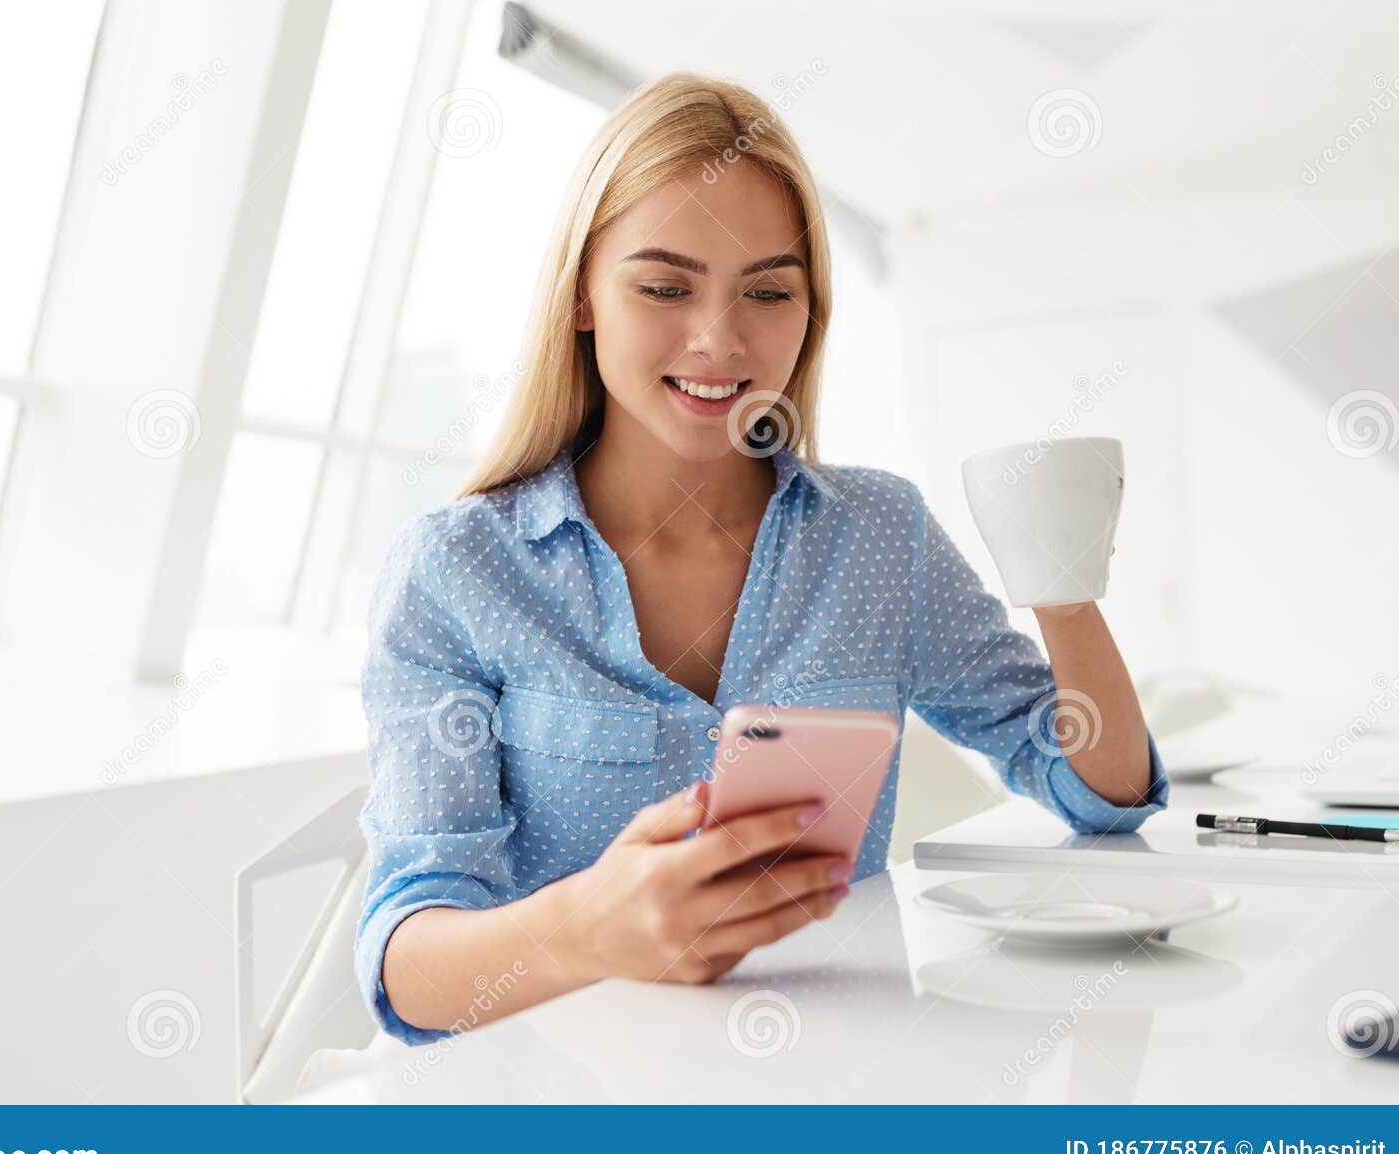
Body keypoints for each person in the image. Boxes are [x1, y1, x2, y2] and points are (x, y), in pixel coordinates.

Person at [353, 72, 1168, 1047]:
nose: (718, 340)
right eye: (663, 287)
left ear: (810, 310)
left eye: (767, 291)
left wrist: (1061, 579)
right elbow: (407, 969)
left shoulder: (877, 534)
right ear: (581, 295)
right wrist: (589, 932)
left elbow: (1094, 788)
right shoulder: (456, 570)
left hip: (825, 1094)